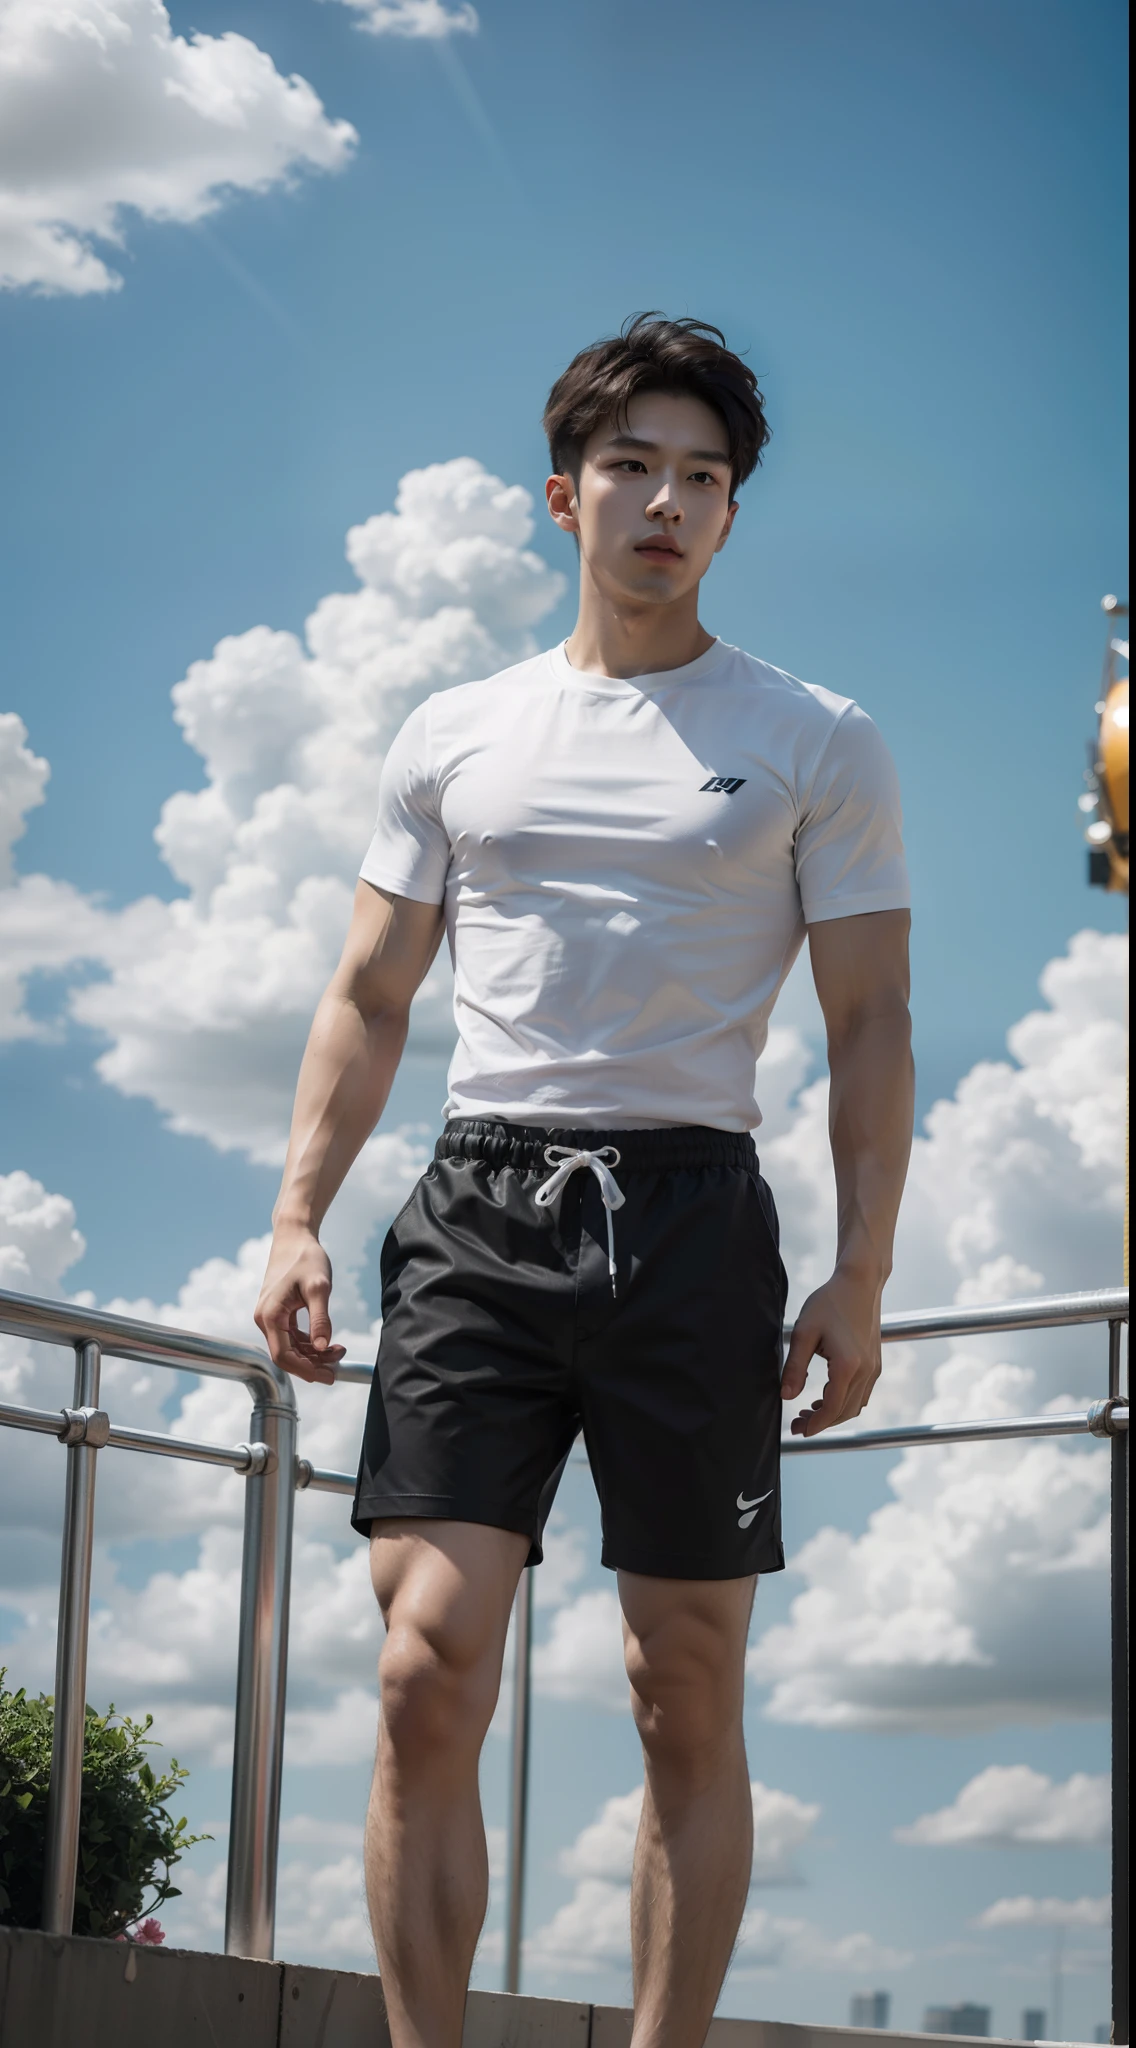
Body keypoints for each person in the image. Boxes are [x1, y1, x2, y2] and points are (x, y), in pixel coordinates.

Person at [255, 314, 914, 2048]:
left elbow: (869, 1030)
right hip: (481, 1213)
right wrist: (296, 1214)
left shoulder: (815, 738)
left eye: (704, 479)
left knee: (678, 1688)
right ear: (566, 495)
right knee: (421, 1670)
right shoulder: (457, 732)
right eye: (635, 469)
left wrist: (861, 1275)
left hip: (698, 1222)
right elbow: (370, 993)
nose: (667, 504)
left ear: (728, 515)